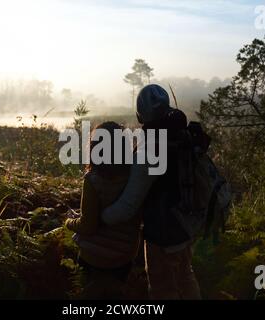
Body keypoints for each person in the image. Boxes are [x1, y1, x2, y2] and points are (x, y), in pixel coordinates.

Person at [101, 84, 202, 300]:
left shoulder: (150, 149)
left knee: (163, 289)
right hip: (185, 225)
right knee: (185, 277)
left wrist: (101, 217)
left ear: (141, 114)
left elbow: (129, 205)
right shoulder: (182, 135)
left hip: (162, 235)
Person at [65, 121, 141, 300]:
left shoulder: (93, 181)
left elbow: (89, 225)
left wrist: (68, 222)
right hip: (124, 257)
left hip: (93, 259)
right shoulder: (135, 177)